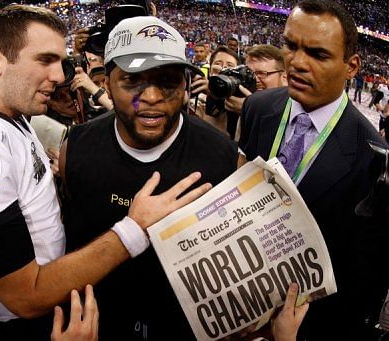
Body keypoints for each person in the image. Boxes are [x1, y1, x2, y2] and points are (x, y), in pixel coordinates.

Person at [0, 5, 210, 340]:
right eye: (45, 60)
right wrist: (135, 228)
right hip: (28, 323)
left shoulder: (9, 121)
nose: (60, 75)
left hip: (58, 302)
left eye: (60, 61)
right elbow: (25, 295)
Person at [60, 16, 238, 340]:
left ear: (185, 86)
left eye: (168, 81)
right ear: (107, 85)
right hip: (101, 321)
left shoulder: (222, 157)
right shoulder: (76, 148)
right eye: (132, 81)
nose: (152, 97)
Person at [239, 0, 388, 339]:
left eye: (318, 55)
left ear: (351, 66)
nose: (297, 63)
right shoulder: (258, 107)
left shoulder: (373, 158)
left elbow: (360, 282)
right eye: (290, 46)